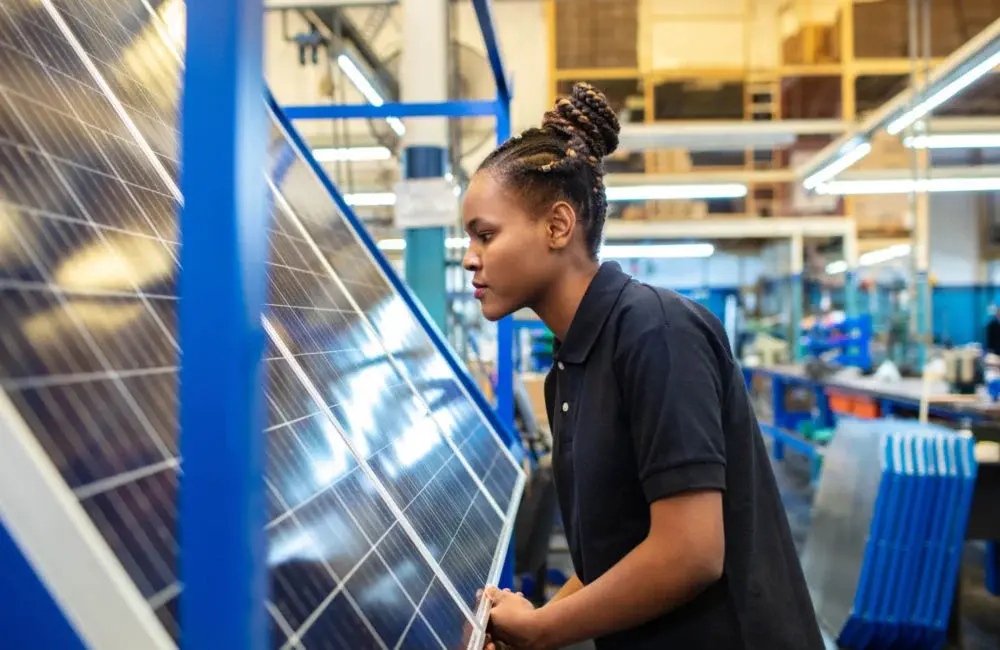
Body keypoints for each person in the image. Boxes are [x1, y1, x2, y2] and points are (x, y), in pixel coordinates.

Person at [461, 83, 825, 650]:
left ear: (558, 227)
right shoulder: (572, 369)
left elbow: (690, 552)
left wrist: (544, 630)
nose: (469, 257)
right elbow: (617, 551)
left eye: (486, 234)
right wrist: (533, 628)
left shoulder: (656, 332)